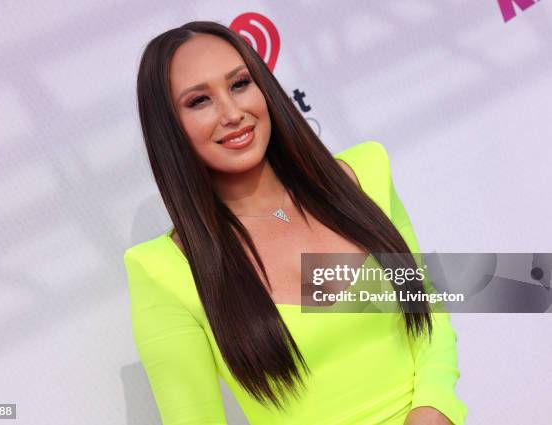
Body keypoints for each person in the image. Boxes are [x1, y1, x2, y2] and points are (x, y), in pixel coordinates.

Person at [124, 20, 467, 425]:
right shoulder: (163, 270)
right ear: (169, 127)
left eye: (239, 84)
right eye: (200, 101)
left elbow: (427, 307)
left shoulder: (364, 176)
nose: (233, 113)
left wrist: (431, 410)